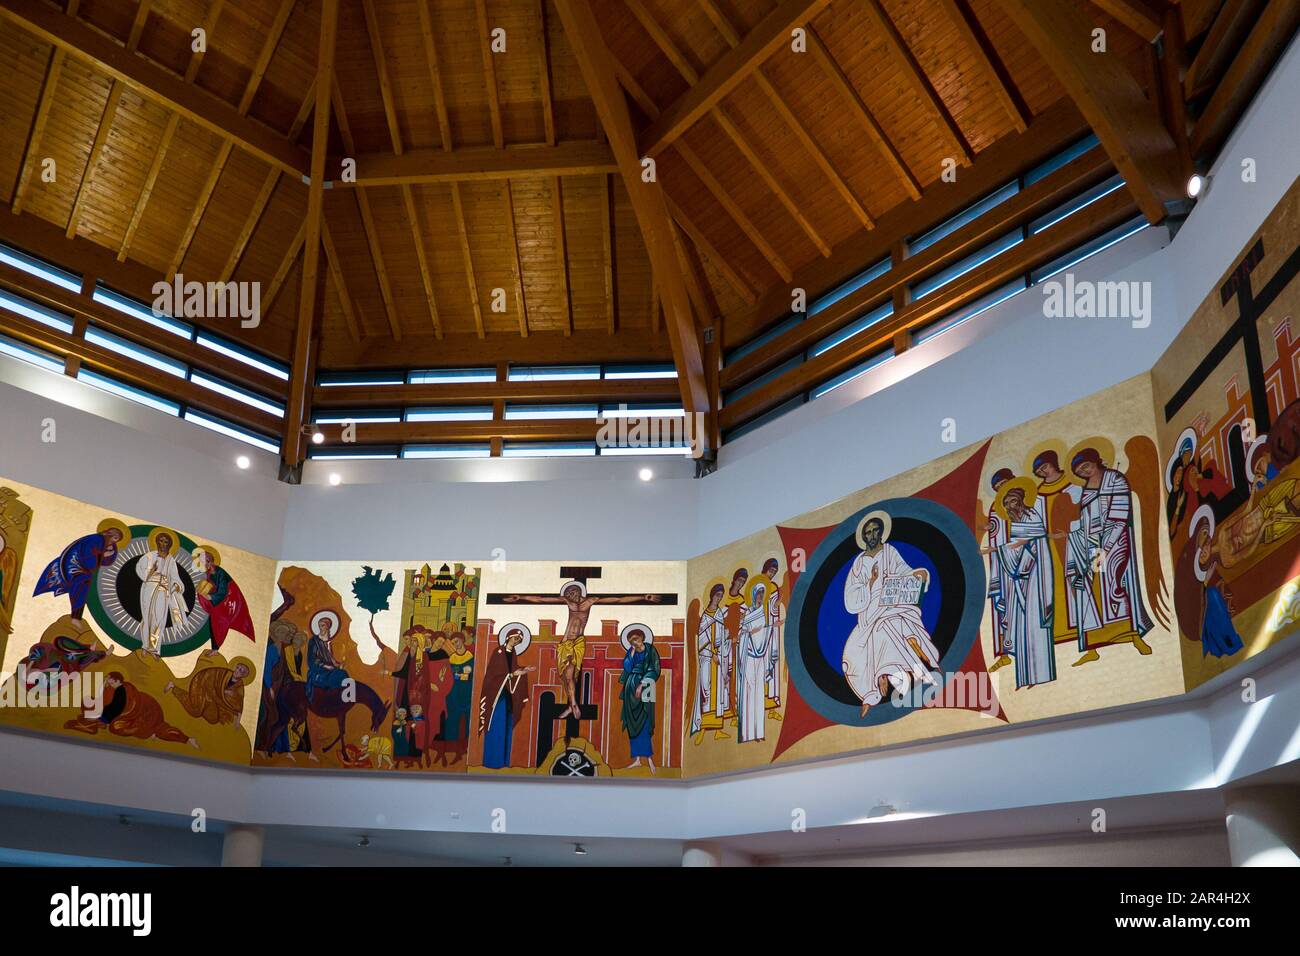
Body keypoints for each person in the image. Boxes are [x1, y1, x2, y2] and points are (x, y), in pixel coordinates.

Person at [503, 583, 661, 721]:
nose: (570, 595)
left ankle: (573, 704)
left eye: (572, 592)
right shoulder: (567, 601)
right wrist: (520, 597)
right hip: (565, 643)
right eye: (568, 594)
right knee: (565, 678)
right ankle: (571, 705)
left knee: (570, 674)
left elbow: (618, 599)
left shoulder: (590, 601)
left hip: (577, 643)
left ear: (579, 591)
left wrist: (643, 597)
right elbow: (541, 599)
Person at [842, 512, 941, 716]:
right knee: (852, 654)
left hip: (892, 603)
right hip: (869, 612)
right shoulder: (858, 563)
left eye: (874, 531)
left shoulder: (890, 551)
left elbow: (904, 572)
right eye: (867, 532)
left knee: (890, 625)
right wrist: (870, 582)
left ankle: (893, 670)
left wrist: (918, 574)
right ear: (863, 537)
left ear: (881, 533)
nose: (871, 535)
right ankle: (872, 689)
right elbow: (850, 598)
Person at [1065, 448, 1155, 664]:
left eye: (1086, 466)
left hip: (1115, 540)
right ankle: (1092, 647)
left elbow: (1120, 514)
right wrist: (1074, 536)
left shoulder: (1115, 479)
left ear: (1096, 461)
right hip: (1092, 546)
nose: (1084, 471)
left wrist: (1106, 547)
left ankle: (1133, 636)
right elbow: (1086, 522)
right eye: (1080, 470)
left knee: (1115, 584)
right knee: (1092, 590)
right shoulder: (1086, 491)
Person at [984, 483, 1064, 689]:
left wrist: (997, 549)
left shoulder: (1031, 517)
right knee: (1022, 626)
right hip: (1021, 580)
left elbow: (1030, 543)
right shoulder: (1017, 521)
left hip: (1036, 579)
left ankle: (1042, 676)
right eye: (1006, 503)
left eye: (1012, 501)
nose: (1010, 506)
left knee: (1035, 623)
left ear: (1020, 500)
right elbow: (1019, 547)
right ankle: (1027, 677)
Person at [65, 672, 197, 748]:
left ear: (117, 681)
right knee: (89, 704)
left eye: (110, 681)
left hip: (147, 714)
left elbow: (118, 709)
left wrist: (102, 719)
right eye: (107, 682)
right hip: (123, 714)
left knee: (115, 727)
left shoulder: (124, 692)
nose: (108, 684)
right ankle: (185, 739)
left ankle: (153, 733)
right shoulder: (112, 690)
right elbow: (104, 701)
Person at [34, 520, 129, 622]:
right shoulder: (97, 539)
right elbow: (87, 555)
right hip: (73, 564)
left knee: (85, 586)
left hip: (83, 568)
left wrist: (108, 554)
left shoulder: (109, 544)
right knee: (82, 583)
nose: (114, 541)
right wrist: (102, 556)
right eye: (115, 538)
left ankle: (76, 617)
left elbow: (108, 561)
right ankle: (75, 617)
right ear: (109, 534)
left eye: (117, 540)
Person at [478, 626, 534, 769]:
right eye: (515, 638)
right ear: (508, 637)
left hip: (508, 695)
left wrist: (523, 671)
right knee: (496, 726)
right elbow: (493, 675)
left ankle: (504, 762)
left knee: (507, 727)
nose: (516, 641)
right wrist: (512, 675)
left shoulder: (512, 653)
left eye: (519, 640)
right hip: (496, 697)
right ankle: (492, 761)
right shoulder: (498, 652)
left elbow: (513, 670)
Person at [192, 546, 255, 656]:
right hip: (220, 603)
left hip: (229, 602)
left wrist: (210, 597)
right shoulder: (209, 573)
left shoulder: (219, 572)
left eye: (202, 562)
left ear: (209, 561)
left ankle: (216, 649)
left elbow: (222, 590)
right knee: (214, 620)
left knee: (218, 621)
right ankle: (215, 648)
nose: (201, 565)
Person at [736, 580, 775, 742]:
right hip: (749, 656)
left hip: (760, 658)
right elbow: (740, 634)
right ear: (753, 595)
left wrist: (769, 628)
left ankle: (758, 733)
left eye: (762, 594)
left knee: (759, 694)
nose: (760, 597)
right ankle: (747, 733)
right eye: (758, 594)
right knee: (749, 693)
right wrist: (750, 631)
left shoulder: (763, 613)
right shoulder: (748, 613)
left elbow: (764, 633)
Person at [689, 583, 728, 743]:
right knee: (706, 690)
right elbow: (702, 639)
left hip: (718, 657)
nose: (718, 598)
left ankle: (718, 729)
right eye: (716, 595)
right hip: (707, 658)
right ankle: (703, 728)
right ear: (711, 596)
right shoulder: (705, 616)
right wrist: (712, 654)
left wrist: (721, 651)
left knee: (718, 692)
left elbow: (721, 637)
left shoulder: (719, 614)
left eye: (720, 596)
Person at [138, 529, 187, 657]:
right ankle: (144, 645)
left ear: (170, 544)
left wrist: (177, 585)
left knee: (159, 619)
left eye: (166, 541)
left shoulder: (171, 561)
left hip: (163, 591)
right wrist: (150, 571)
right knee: (147, 616)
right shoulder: (149, 556)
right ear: (157, 542)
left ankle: (153, 648)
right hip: (149, 588)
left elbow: (175, 577)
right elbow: (139, 569)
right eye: (161, 540)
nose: (163, 543)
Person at [619, 625, 661, 772]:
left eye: (636, 639)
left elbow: (655, 669)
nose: (634, 643)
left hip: (647, 686)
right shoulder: (631, 652)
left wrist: (642, 685)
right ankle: (637, 759)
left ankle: (649, 759)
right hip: (630, 687)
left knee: (646, 720)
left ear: (642, 637)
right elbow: (627, 668)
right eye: (631, 641)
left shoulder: (650, 651)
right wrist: (630, 654)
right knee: (632, 723)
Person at [166, 658, 254, 725]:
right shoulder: (223, 672)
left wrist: (238, 720)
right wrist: (223, 692)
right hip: (202, 685)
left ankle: (200, 703)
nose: (237, 671)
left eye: (241, 671)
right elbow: (208, 677)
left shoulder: (239, 686)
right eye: (238, 668)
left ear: (243, 675)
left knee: (213, 719)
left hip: (213, 699)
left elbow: (239, 702)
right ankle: (173, 687)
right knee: (196, 711)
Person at [442, 630, 474, 765]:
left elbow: (470, 676)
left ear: (462, 640)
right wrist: (460, 675)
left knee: (467, 719)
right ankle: (451, 748)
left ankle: (467, 748)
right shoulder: (451, 658)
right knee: (452, 718)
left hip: (467, 692)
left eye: (457, 641)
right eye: (453, 643)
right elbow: (450, 676)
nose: (455, 644)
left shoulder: (471, 656)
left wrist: (459, 675)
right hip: (453, 691)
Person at [305, 610, 349, 702]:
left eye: (323, 625)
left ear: (328, 627)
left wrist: (338, 664)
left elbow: (331, 659)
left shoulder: (328, 642)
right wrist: (325, 666)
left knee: (343, 673)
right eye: (319, 625)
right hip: (317, 670)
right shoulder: (314, 641)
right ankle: (331, 700)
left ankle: (344, 699)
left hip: (329, 669)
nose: (320, 628)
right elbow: (311, 659)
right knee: (335, 676)